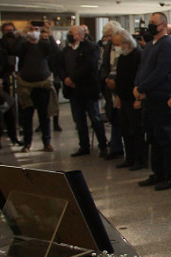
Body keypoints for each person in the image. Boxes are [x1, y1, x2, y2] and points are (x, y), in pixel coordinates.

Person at [135, 12, 171, 191]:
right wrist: (137, 86)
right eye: (150, 22)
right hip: (149, 98)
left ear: (164, 25)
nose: (151, 25)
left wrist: (143, 88)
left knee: (164, 138)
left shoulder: (167, 44)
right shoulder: (150, 45)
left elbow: (161, 71)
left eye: (154, 23)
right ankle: (157, 172)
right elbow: (142, 68)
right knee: (152, 137)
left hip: (161, 96)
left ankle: (169, 175)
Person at [60, 25, 108, 157]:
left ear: (80, 35)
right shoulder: (66, 50)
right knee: (79, 120)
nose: (70, 35)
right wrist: (65, 78)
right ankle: (84, 146)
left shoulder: (91, 48)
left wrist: (73, 78)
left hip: (88, 89)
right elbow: (60, 66)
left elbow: (89, 65)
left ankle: (103, 145)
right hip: (73, 91)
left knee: (95, 118)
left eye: (72, 33)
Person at [15, 24, 56, 152]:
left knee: (44, 116)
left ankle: (47, 142)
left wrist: (50, 35)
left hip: (42, 85)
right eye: (31, 30)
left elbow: (54, 51)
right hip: (26, 86)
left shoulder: (44, 45)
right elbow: (14, 50)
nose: (34, 32)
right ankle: (27, 143)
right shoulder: (24, 46)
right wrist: (22, 34)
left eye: (36, 30)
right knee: (27, 116)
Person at [111, 29, 145, 170]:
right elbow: (120, 78)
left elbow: (140, 78)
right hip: (124, 98)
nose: (116, 47)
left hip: (134, 98)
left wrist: (139, 98)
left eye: (118, 44)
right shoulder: (122, 57)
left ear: (126, 42)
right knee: (125, 130)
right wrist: (118, 96)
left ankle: (139, 160)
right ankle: (129, 157)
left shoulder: (138, 56)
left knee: (136, 130)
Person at [99, 21, 124, 161]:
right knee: (113, 117)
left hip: (122, 87)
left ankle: (120, 148)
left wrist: (117, 82)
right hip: (110, 86)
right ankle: (115, 147)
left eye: (110, 35)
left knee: (122, 118)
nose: (108, 39)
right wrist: (106, 79)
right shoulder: (108, 47)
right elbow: (104, 66)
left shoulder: (127, 46)